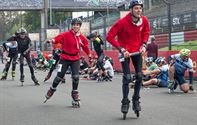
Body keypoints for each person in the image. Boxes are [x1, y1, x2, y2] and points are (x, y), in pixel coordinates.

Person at [106, 0, 150, 118]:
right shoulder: (122, 22)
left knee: (140, 75)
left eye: (140, 8)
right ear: (130, 10)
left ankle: (136, 99)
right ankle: (125, 101)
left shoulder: (144, 20)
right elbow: (109, 36)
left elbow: (146, 32)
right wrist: (121, 49)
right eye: (136, 8)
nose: (138, 10)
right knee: (127, 77)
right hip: (125, 52)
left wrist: (144, 45)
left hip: (137, 51)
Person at [44, 18, 91, 107]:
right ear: (72, 26)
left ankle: (74, 93)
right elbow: (58, 38)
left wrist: (89, 55)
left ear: (80, 26)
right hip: (64, 58)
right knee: (59, 76)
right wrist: (51, 41)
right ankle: (52, 89)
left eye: (77, 24)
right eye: (74, 24)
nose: (75, 26)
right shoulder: (66, 34)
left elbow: (85, 47)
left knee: (76, 77)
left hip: (75, 59)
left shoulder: (82, 37)